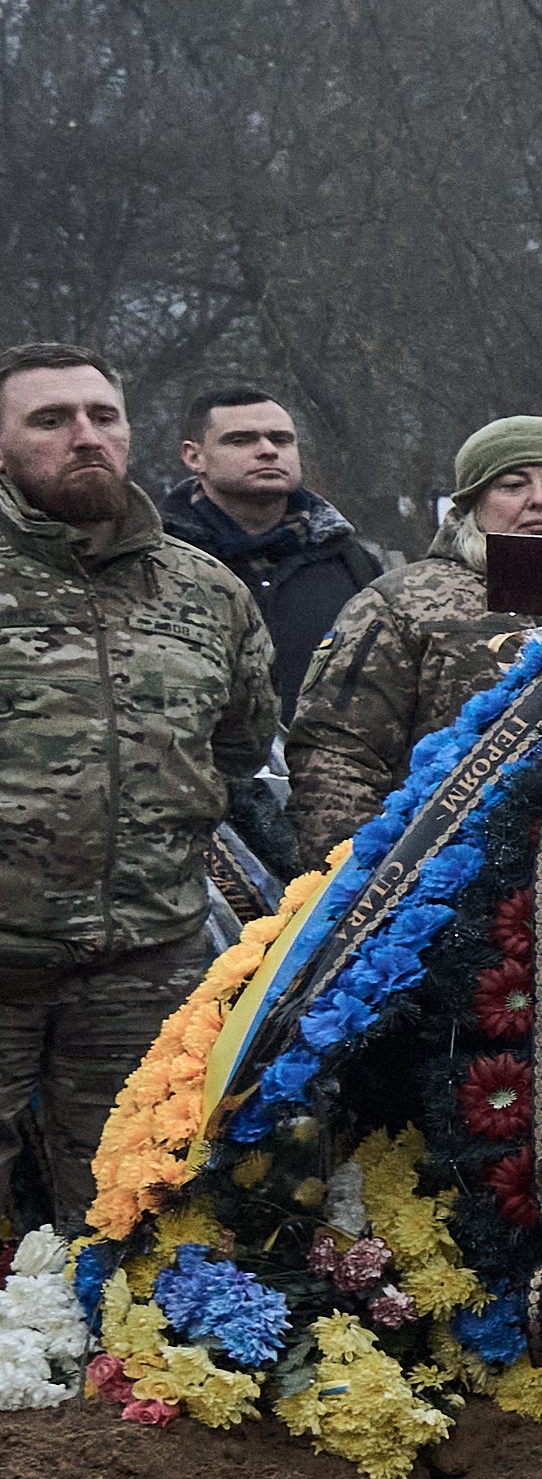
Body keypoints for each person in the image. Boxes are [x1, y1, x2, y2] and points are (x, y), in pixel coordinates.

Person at [0, 349, 281, 1223]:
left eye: (103, 416)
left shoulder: (204, 590)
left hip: (144, 965)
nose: (86, 436)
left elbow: (237, 748)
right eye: (50, 421)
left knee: (128, 1222)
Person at [288, 419, 542, 854]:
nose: (540, 500)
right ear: (472, 506)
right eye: (512, 485)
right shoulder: (401, 602)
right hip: (439, 873)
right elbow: (336, 757)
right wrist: (356, 883)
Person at [161, 385, 386, 716]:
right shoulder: (156, 561)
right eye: (240, 440)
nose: (267, 450)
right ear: (194, 456)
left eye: (281, 440)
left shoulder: (352, 564)